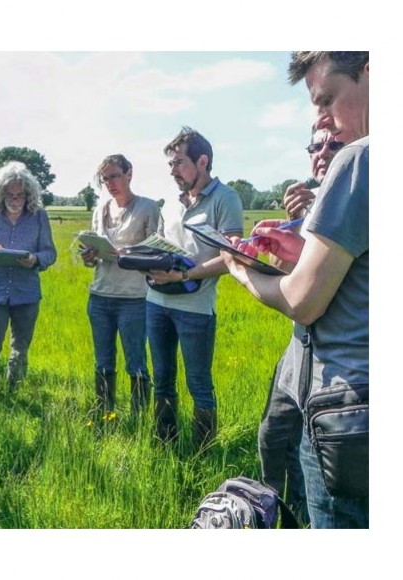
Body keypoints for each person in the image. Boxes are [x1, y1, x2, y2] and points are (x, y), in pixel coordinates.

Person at [224, 51, 369, 528]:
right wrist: (299, 254)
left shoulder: (361, 159)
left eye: (328, 99)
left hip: (348, 409)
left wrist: (243, 270)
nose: (322, 122)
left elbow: (304, 302)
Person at [258, 126, 341, 525]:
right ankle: (282, 518)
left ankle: (311, 521)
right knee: (273, 439)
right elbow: (286, 273)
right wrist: (294, 227)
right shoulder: (311, 207)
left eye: (334, 144)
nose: (322, 153)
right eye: (315, 145)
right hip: (298, 352)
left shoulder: (354, 199)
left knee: (316, 458)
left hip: (337, 365)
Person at [146, 127, 244, 448]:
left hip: (196, 308)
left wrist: (185, 276)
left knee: (198, 383)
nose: (173, 171)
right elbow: (162, 246)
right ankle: (165, 444)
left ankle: (203, 452)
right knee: (162, 381)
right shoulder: (171, 203)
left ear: (202, 161)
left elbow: (231, 258)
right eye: (170, 165)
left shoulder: (225, 198)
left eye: (178, 163)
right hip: (156, 301)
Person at [79, 155, 159, 417]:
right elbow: (94, 260)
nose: (110, 183)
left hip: (134, 298)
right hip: (100, 295)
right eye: (105, 179)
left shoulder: (148, 208)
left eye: (114, 176)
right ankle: (105, 413)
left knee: (135, 362)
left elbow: (156, 253)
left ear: (129, 174)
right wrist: (90, 256)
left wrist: (124, 254)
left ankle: (139, 417)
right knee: (103, 362)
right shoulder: (100, 210)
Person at [0, 161, 57, 393]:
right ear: (0, 194)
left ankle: (13, 392)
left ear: (29, 194)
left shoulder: (38, 217)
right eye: (10, 195)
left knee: (20, 347)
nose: (15, 200)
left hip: (27, 293)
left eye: (20, 195)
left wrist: (34, 259)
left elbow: (50, 253)